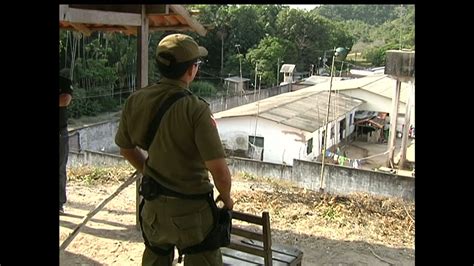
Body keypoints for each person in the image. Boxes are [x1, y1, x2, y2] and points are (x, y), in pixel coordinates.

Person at [115, 33, 234, 266]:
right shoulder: (196, 109)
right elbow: (219, 171)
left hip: (153, 211)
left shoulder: (136, 100)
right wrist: (227, 199)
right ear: (191, 70)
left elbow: (126, 148)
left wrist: (148, 171)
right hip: (192, 215)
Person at [59, 74, 73, 215]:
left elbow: (65, 100)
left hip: (60, 132)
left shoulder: (63, 81)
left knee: (60, 169)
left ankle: (59, 203)